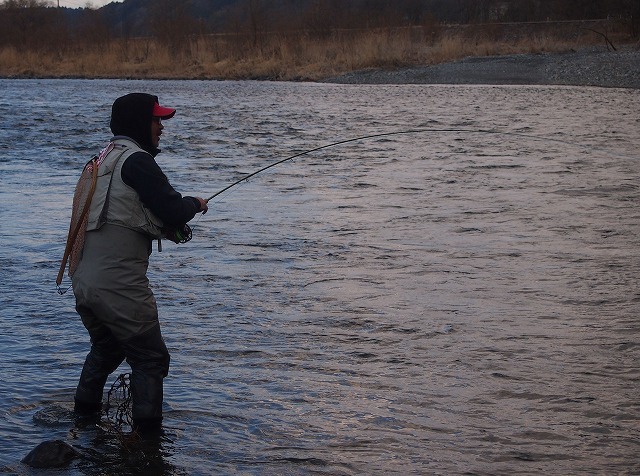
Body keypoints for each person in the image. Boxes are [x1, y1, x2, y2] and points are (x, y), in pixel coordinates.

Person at [71, 93, 208, 434]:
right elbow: (173, 211)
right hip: (118, 286)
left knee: (107, 347)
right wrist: (195, 203)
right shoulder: (138, 162)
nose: (161, 127)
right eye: (156, 120)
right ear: (138, 123)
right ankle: (148, 445)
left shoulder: (99, 161)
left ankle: (81, 424)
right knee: (150, 358)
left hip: (83, 282)